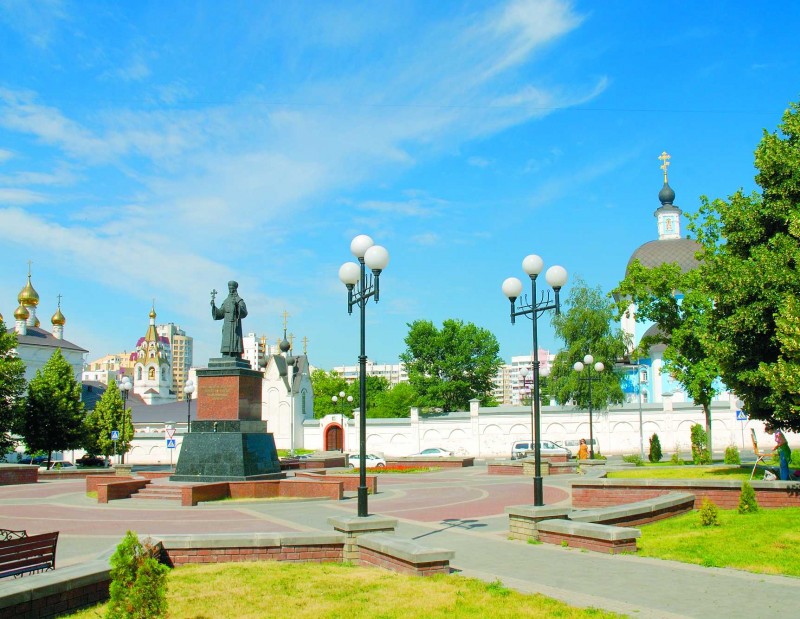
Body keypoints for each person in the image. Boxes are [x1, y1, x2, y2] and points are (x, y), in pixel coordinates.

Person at [211, 281, 248, 358]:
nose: (231, 290)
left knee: (235, 342)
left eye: (232, 289)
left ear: (235, 289)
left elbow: (244, 313)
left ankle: (235, 354)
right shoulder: (226, 301)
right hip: (227, 326)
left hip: (235, 326)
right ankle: (226, 354)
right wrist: (214, 307)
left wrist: (237, 306)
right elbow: (220, 313)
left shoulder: (239, 300)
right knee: (226, 342)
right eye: (229, 289)